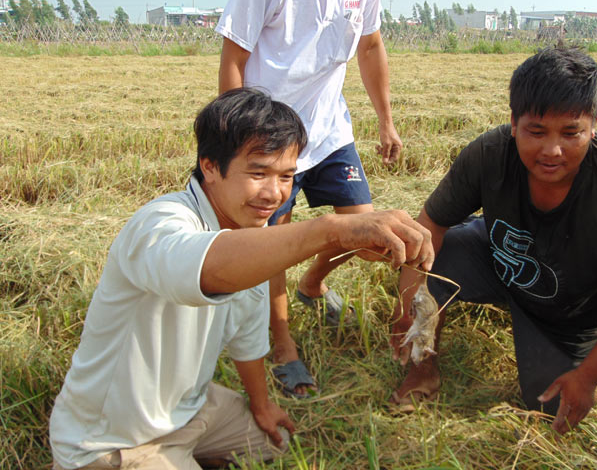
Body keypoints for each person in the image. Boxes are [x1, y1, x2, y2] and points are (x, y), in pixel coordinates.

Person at [49, 88, 433, 470]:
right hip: (114, 439)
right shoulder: (159, 223)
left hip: (191, 408)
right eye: (258, 173)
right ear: (211, 166)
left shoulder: (257, 238)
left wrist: (262, 403)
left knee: (276, 445)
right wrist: (332, 230)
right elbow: (211, 268)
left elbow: (247, 335)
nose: (274, 194)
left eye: (286, 176)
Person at [390, 47, 597, 434]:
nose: (551, 150)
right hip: (499, 261)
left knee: (553, 409)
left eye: (571, 133)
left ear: (593, 126)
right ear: (513, 123)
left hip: (570, 313)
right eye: (536, 131)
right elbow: (430, 227)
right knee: (432, 262)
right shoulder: (489, 154)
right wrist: (410, 311)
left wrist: (589, 376)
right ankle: (424, 370)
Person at [215, 0, 403, 397]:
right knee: (273, 244)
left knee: (361, 232)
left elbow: (370, 47)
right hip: (269, 137)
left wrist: (386, 121)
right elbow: (234, 59)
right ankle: (283, 345)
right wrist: (237, 144)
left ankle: (312, 284)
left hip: (329, 131)